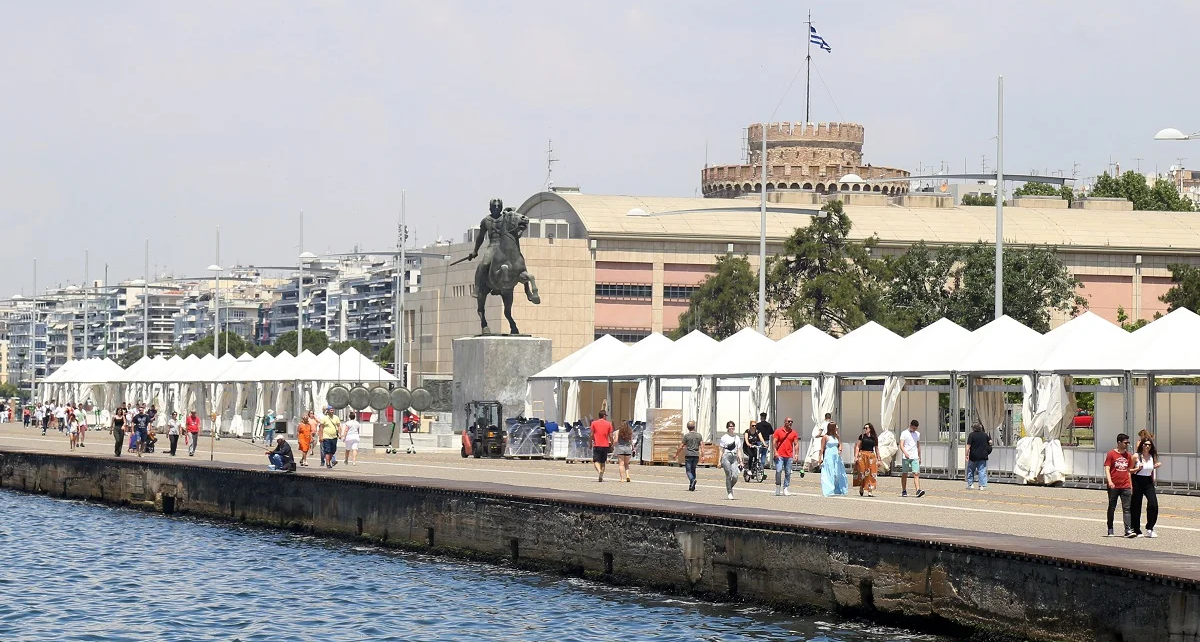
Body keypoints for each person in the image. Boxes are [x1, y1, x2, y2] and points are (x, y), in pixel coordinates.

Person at [1104, 433, 1136, 538]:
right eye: (1125, 442)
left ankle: (1128, 530)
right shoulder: (1111, 454)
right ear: (1119, 442)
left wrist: (1130, 485)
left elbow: (1128, 471)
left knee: (1127, 508)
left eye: (1128, 443)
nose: (1127, 444)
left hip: (1125, 485)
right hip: (1114, 485)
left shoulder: (1128, 456)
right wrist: (1110, 481)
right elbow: (1107, 468)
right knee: (1112, 507)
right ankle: (1110, 528)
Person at [1131, 434, 1160, 538]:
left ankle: (1150, 527)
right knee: (1136, 505)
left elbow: (1153, 465)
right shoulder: (1136, 456)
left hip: (1148, 481)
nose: (1147, 446)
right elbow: (1129, 470)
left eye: (1149, 445)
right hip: (1137, 480)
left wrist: (1156, 465)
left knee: (1153, 504)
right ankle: (1136, 529)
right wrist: (1137, 468)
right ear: (1142, 445)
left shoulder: (1152, 456)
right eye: (1145, 444)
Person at [772, 417, 801, 496]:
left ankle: (786, 488)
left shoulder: (793, 433)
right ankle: (778, 486)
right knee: (779, 470)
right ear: (785, 422)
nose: (790, 423)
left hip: (789, 455)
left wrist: (796, 454)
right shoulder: (778, 431)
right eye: (789, 421)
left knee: (788, 472)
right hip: (780, 455)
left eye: (791, 421)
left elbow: (796, 444)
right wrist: (775, 452)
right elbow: (774, 442)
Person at [819, 422, 848, 497]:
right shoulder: (825, 437)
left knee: (837, 472)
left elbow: (840, 444)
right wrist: (820, 458)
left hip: (836, 455)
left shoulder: (836, 436)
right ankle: (829, 489)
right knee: (830, 472)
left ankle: (837, 488)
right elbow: (822, 448)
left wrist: (840, 450)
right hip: (829, 455)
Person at [899, 420, 925, 498]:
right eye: (913, 428)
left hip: (914, 456)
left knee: (916, 473)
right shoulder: (904, 433)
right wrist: (905, 453)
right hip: (906, 457)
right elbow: (901, 445)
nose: (914, 430)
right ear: (910, 426)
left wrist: (919, 456)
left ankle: (918, 490)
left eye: (915, 428)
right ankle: (904, 490)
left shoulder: (917, 434)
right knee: (905, 473)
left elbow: (918, 446)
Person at [719, 421, 744, 500]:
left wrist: (741, 461)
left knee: (735, 476)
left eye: (733, 426)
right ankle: (729, 492)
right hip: (726, 456)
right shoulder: (724, 437)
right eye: (730, 426)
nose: (731, 428)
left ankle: (729, 486)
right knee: (728, 475)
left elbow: (739, 450)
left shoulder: (737, 438)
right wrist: (719, 461)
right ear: (727, 428)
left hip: (734, 457)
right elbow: (721, 450)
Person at [675, 421, 703, 491]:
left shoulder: (686, 436)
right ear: (694, 427)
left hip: (689, 455)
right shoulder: (699, 435)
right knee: (693, 470)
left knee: (688, 471)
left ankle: (692, 480)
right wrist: (703, 455)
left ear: (688, 428)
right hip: (696, 455)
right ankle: (692, 485)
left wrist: (676, 454)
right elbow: (702, 446)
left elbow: (681, 446)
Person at [853, 423, 878, 497]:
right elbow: (858, 446)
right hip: (862, 454)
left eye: (866, 428)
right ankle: (862, 486)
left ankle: (870, 490)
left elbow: (877, 449)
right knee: (862, 472)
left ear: (870, 429)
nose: (865, 429)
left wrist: (879, 458)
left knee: (871, 473)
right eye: (864, 428)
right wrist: (856, 456)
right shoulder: (862, 436)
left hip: (871, 455)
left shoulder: (874, 438)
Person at [965, 422, 992, 490]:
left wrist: (966, 454)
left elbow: (968, 446)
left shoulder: (971, 435)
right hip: (983, 455)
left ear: (973, 428)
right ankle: (982, 486)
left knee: (971, 470)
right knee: (982, 471)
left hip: (973, 456)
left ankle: (970, 484)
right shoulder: (985, 435)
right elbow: (990, 442)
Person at [590, 410, 614, 482]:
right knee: (603, 462)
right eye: (605, 416)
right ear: (604, 416)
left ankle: (599, 471)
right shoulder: (609, 424)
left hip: (597, 444)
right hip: (605, 445)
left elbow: (591, 434)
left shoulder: (594, 423)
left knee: (596, 461)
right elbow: (611, 436)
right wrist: (612, 443)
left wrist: (590, 442)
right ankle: (601, 476)